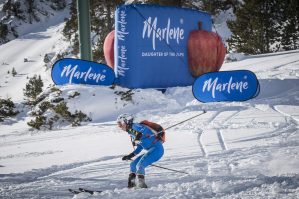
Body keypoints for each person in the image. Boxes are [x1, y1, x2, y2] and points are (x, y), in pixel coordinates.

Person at [117, 113, 165, 188]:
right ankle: (132, 184)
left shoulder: (134, 126)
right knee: (133, 164)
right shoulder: (131, 132)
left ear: (126, 121)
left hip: (157, 149)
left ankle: (141, 185)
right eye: (118, 124)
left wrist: (138, 136)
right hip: (151, 150)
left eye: (120, 123)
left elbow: (144, 129)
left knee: (140, 165)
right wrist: (131, 155)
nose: (119, 126)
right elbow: (140, 147)